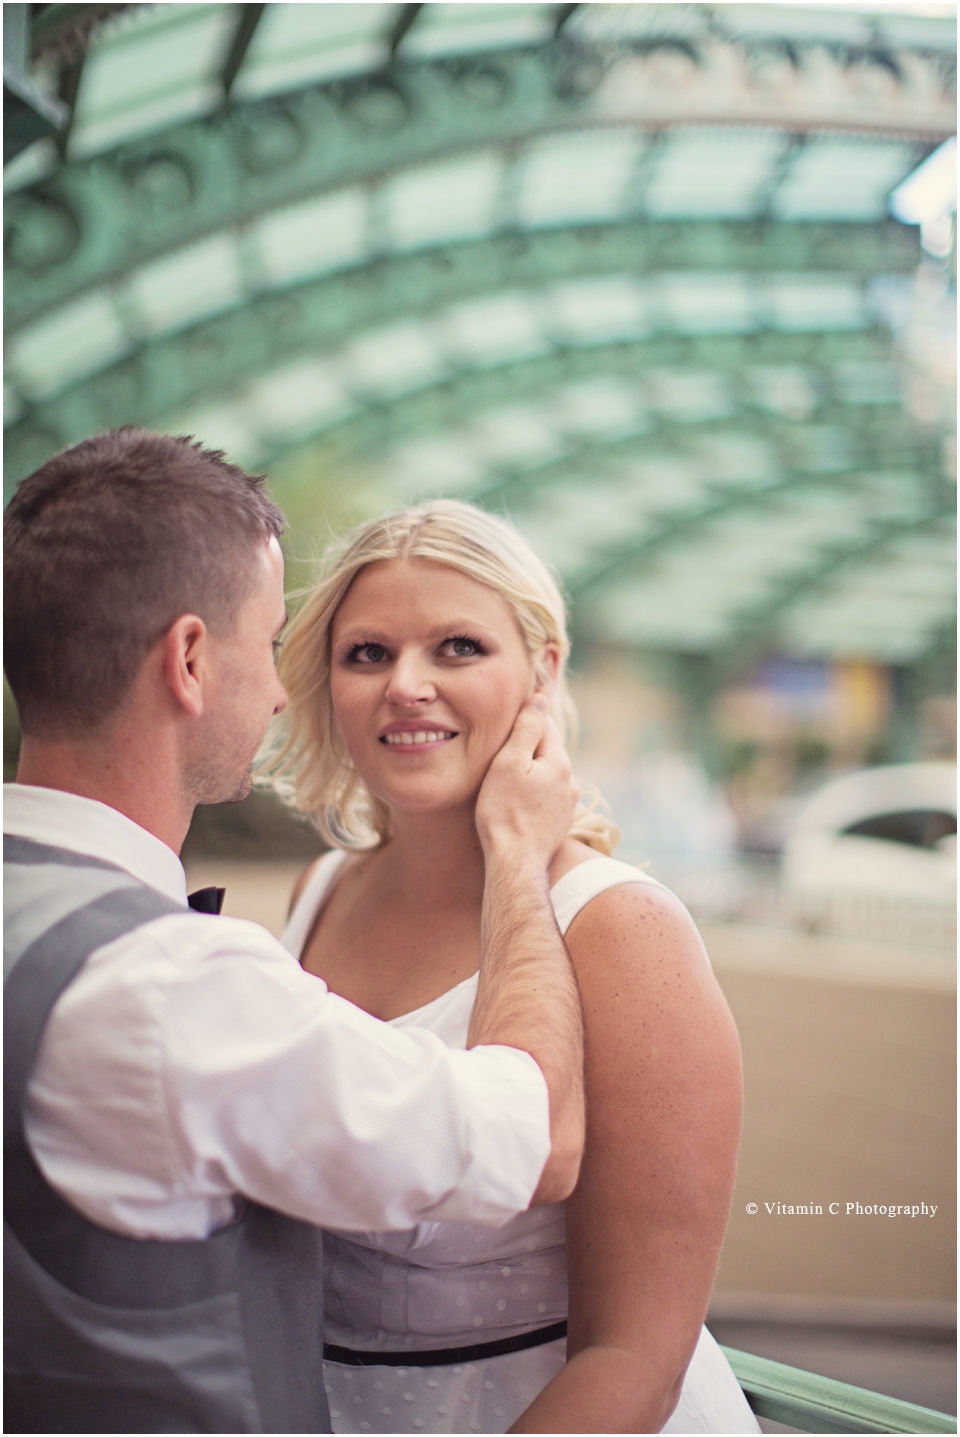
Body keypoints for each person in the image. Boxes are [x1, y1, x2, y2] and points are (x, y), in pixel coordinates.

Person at [2, 430, 587, 1436]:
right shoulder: (168, 987)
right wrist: (522, 866)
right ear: (189, 660)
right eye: (272, 644)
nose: (279, 691)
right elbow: (519, 1137)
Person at [269, 499, 761, 1435]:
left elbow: (636, 1360)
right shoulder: (318, 889)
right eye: (367, 653)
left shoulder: (622, 927)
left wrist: (512, 853)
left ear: (544, 669)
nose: (406, 685)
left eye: (457, 647)